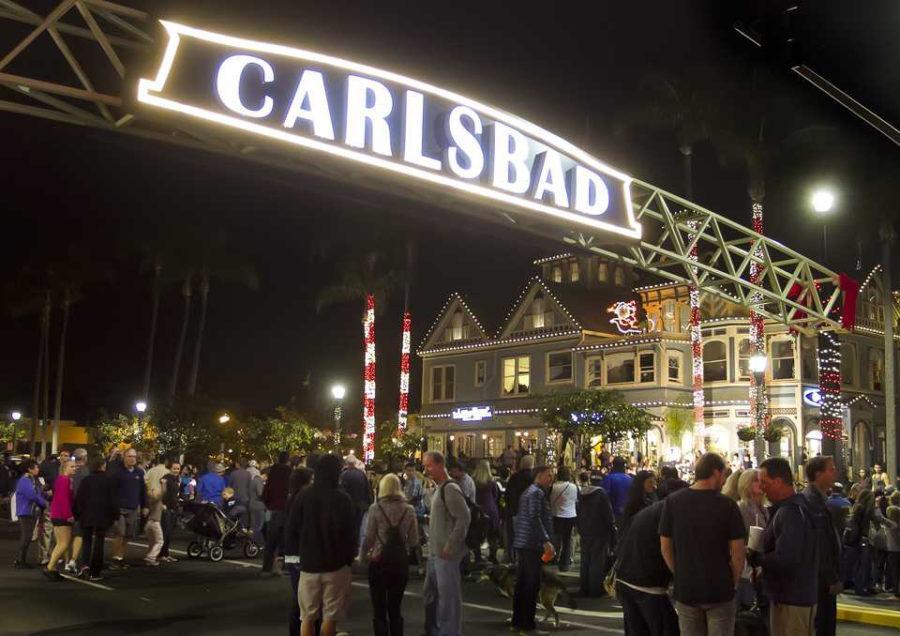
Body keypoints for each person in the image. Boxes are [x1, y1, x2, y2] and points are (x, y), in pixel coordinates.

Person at [659, 452, 745, 636]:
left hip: (687, 588)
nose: (724, 480)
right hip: (720, 588)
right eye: (723, 474)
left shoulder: (673, 502)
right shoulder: (728, 505)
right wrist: (734, 581)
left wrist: (679, 572)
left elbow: (665, 547)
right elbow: (738, 551)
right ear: (715, 473)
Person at [285, 454, 357, 636]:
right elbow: (350, 533)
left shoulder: (304, 495)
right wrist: (349, 559)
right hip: (336, 565)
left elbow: (292, 528)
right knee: (330, 616)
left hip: (308, 563)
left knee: (307, 616)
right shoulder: (343, 498)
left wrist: (292, 558)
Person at [750, 457, 818, 635]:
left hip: (791, 598)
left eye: (765, 482)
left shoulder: (790, 512)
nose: (762, 487)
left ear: (778, 482)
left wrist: (758, 558)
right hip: (792, 595)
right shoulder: (794, 508)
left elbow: (787, 558)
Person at [616, 478, 688, 635]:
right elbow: (667, 549)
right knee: (667, 628)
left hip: (626, 578)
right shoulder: (668, 512)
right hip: (646, 583)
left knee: (637, 629)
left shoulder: (653, 510)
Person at [360, 472, 420, 635]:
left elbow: (369, 537)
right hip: (400, 562)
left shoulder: (376, 508)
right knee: (395, 607)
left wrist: (363, 555)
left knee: (379, 608)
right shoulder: (409, 509)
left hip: (379, 561)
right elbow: (414, 539)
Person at [422, 451, 470, 636]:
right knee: (431, 594)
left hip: (445, 553)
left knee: (448, 598)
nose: (426, 470)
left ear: (440, 465)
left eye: (429, 466)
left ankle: (449, 632)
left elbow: (463, 518)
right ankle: (435, 629)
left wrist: (451, 544)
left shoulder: (449, 489)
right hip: (436, 553)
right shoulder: (440, 488)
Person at [511, 464, 555, 633]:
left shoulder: (528, 492)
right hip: (531, 543)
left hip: (523, 541)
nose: (550, 479)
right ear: (539, 475)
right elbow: (534, 517)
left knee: (522, 583)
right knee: (531, 584)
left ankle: (518, 621)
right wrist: (545, 540)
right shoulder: (536, 493)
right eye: (548, 475)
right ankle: (527, 624)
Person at [801, 456, 841, 636]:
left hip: (822, 578)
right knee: (822, 624)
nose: (835, 473)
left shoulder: (820, 500)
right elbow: (821, 544)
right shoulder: (812, 502)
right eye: (831, 469)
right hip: (819, 580)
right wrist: (831, 577)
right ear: (818, 474)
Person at [72, 456, 118, 581]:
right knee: (99, 543)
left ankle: (84, 566)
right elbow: (113, 500)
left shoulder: (86, 480)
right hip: (102, 516)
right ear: (103, 466)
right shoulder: (108, 481)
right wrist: (115, 515)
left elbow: (79, 499)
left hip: (86, 515)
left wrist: (77, 514)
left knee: (86, 541)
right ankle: (95, 571)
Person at [283, 466, 314, 636]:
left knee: (300, 596)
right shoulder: (302, 498)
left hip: (292, 553)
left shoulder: (292, 497)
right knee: (303, 599)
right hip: (300, 553)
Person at [577, 471, 616, 596]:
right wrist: (611, 530)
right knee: (597, 561)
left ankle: (584, 588)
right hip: (599, 531)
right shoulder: (601, 494)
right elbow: (608, 514)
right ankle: (595, 589)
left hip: (584, 531)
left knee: (585, 560)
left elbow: (577, 511)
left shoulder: (582, 493)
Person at [108, 447, 147, 569]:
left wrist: (145, 506)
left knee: (128, 534)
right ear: (124, 457)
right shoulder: (117, 472)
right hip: (120, 508)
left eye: (134, 456)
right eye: (130, 456)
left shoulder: (139, 473)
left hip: (133, 508)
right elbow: (112, 491)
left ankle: (121, 556)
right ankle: (115, 558)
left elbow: (143, 491)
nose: (132, 459)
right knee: (120, 533)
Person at [45, 458, 76, 579]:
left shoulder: (60, 479)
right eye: (71, 467)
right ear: (65, 468)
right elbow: (63, 499)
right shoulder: (64, 480)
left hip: (56, 514)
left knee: (60, 543)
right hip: (62, 516)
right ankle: (49, 567)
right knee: (64, 543)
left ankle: (52, 568)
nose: (74, 469)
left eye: (74, 467)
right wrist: (69, 515)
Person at [14, 459, 48, 568]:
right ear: (30, 469)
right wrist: (44, 503)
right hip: (25, 511)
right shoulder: (25, 480)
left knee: (27, 536)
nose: (38, 469)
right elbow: (32, 495)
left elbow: (37, 493)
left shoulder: (32, 479)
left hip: (30, 511)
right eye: (36, 467)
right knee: (26, 536)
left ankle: (21, 560)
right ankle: (20, 561)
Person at [262, 451, 292, 573]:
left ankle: (266, 567)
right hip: (285, 509)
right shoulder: (289, 472)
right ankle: (288, 566)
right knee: (287, 540)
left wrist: (268, 504)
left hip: (273, 509)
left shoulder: (272, 472)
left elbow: (266, 490)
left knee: (271, 541)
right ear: (287, 459)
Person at [844, 489, 877, 595]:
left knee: (865, 564)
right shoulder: (862, 508)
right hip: (861, 539)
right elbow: (861, 524)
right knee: (862, 564)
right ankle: (860, 588)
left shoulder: (858, 506)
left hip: (861, 538)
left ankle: (866, 586)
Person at [503, 454, 535, 564]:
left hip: (514, 512)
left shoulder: (514, 478)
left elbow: (507, 495)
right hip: (529, 513)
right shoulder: (534, 478)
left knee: (513, 537)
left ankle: (512, 559)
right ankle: (525, 560)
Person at [340, 454, 373, 548]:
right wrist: (369, 502)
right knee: (359, 526)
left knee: (349, 526)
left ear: (347, 463)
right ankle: (357, 545)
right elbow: (368, 489)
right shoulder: (361, 474)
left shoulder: (344, 474)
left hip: (349, 506)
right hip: (361, 505)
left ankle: (350, 545)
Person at [549, 465, 578, 571]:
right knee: (567, 540)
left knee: (555, 539)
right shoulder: (574, 487)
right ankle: (565, 562)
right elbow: (576, 501)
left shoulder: (553, 487)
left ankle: (553, 558)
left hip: (556, 515)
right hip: (570, 516)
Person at [472, 459, 500, 564]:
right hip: (491, 509)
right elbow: (495, 495)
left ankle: (478, 557)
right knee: (493, 535)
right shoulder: (492, 481)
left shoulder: (473, 480)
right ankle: (493, 556)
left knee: (477, 535)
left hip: (478, 509)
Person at [66, 448, 89, 573]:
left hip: (66, 506)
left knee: (65, 536)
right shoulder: (85, 472)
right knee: (79, 534)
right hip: (80, 507)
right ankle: (73, 560)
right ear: (85, 458)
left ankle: (65, 560)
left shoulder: (68, 471)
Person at [620, 470, 657, 536]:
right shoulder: (635, 501)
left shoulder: (652, 497)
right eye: (650, 482)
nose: (653, 485)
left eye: (654, 482)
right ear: (641, 483)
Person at [159, 459, 181, 562]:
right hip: (166, 508)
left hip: (173, 508)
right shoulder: (166, 478)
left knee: (169, 532)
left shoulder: (176, 479)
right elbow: (163, 493)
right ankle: (162, 554)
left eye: (178, 468)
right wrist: (163, 504)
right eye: (174, 468)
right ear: (170, 468)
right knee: (165, 532)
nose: (176, 470)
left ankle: (166, 553)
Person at [602, 456, 633, 522]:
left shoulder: (608, 478)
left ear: (613, 465)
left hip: (613, 515)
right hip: (627, 514)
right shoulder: (630, 479)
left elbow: (604, 498)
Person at [227, 457, 252, 527]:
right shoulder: (248, 474)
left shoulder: (233, 474)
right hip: (245, 499)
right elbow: (249, 487)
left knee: (233, 517)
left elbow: (229, 486)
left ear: (238, 464)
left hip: (234, 498)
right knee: (244, 518)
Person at [248, 459, 266, 544]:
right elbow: (260, 494)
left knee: (253, 525)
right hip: (258, 506)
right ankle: (257, 543)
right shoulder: (258, 481)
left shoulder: (252, 480)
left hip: (252, 504)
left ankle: (251, 542)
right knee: (259, 525)